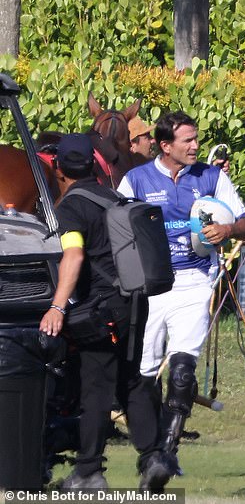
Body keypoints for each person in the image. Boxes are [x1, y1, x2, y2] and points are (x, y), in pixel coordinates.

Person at [117, 111, 245, 471]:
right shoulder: (136, 181)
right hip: (150, 287)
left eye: (196, 139)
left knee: (181, 371)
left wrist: (228, 230)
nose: (196, 146)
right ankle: (149, 450)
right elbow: (115, 230)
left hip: (195, 280)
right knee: (144, 376)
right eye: (187, 141)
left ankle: (167, 450)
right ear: (165, 146)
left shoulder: (210, 177)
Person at [39, 134, 171, 491]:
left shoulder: (70, 207)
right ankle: (153, 457)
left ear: (59, 168)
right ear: (94, 165)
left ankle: (88, 471)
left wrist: (56, 306)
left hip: (101, 310)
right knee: (132, 380)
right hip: (135, 302)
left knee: (96, 387)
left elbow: (74, 256)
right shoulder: (113, 196)